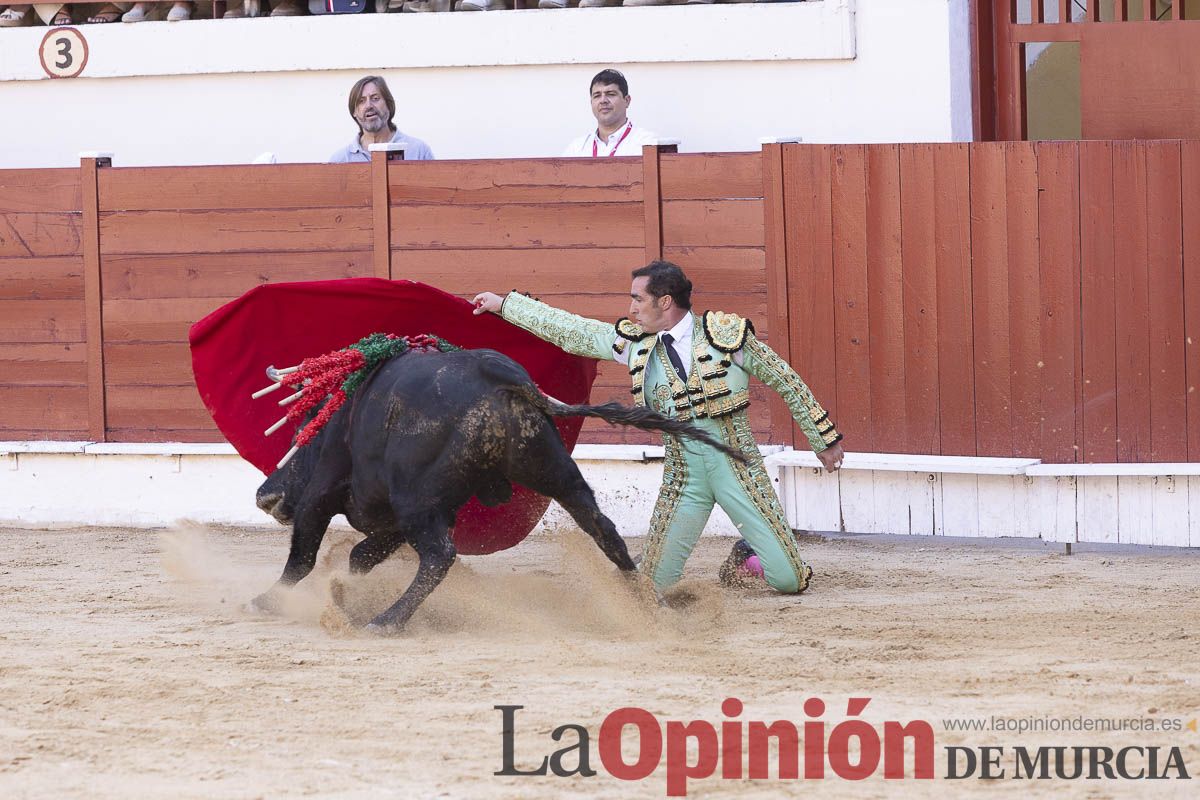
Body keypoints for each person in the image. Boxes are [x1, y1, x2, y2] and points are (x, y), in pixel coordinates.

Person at [472, 261, 845, 595]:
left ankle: (746, 558)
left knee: (789, 580)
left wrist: (823, 438)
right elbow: (576, 332)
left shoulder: (726, 337)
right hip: (684, 476)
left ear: (664, 302)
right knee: (651, 587)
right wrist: (506, 305)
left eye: (638, 299)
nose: (631, 308)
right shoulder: (637, 345)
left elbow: (786, 380)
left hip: (738, 468)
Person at [329, 75, 434, 163]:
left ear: (389, 104)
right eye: (361, 101)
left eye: (375, 98)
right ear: (354, 112)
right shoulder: (340, 160)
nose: (369, 105)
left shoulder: (418, 151)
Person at [562, 69, 661, 158]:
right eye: (597, 95)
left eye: (611, 94)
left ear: (627, 100)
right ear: (591, 102)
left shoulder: (647, 143)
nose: (603, 100)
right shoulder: (576, 148)